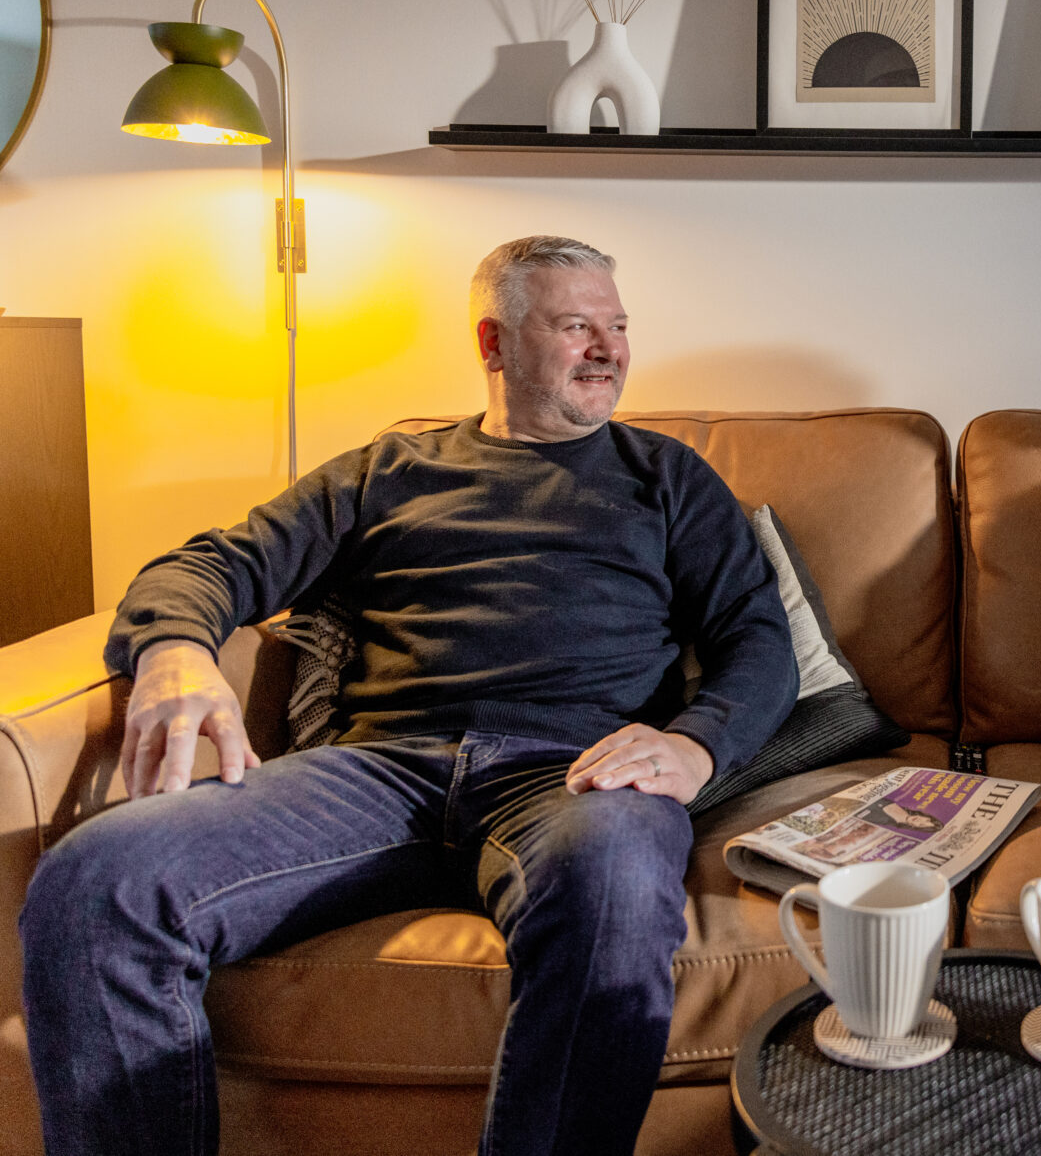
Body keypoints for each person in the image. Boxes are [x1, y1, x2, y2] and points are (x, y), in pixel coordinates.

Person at [18, 236, 799, 1156]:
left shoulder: (665, 478)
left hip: (575, 777)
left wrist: (693, 745)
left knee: (618, 883)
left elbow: (757, 639)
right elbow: (216, 563)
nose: (610, 348)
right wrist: (175, 649)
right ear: (494, 341)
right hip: (374, 774)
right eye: (577, 325)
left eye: (618, 326)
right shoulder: (385, 471)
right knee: (94, 883)